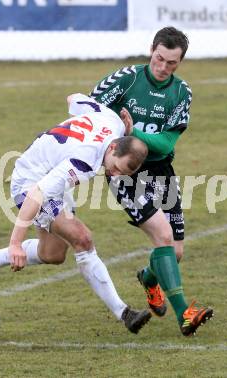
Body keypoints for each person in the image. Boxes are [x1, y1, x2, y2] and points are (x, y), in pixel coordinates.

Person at [0, 93, 152, 334]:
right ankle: (124, 313)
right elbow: (36, 195)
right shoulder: (85, 162)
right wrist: (15, 243)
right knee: (82, 238)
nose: (115, 175)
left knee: (53, 253)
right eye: (116, 168)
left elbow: (73, 99)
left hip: (52, 172)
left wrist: (122, 131)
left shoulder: (114, 122)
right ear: (112, 147)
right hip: (30, 182)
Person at [90, 26, 213, 336]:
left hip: (160, 171)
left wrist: (133, 131)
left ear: (180, 62)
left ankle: (149, 278)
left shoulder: (181, 92)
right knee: (163, 235)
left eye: (171, 63)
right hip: (126, 171)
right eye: (159, 59)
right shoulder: (125, 79)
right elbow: (89, 112)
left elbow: (166, 145)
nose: (162, 67)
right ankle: (185, 314)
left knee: (176, 251)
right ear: (151, 50)